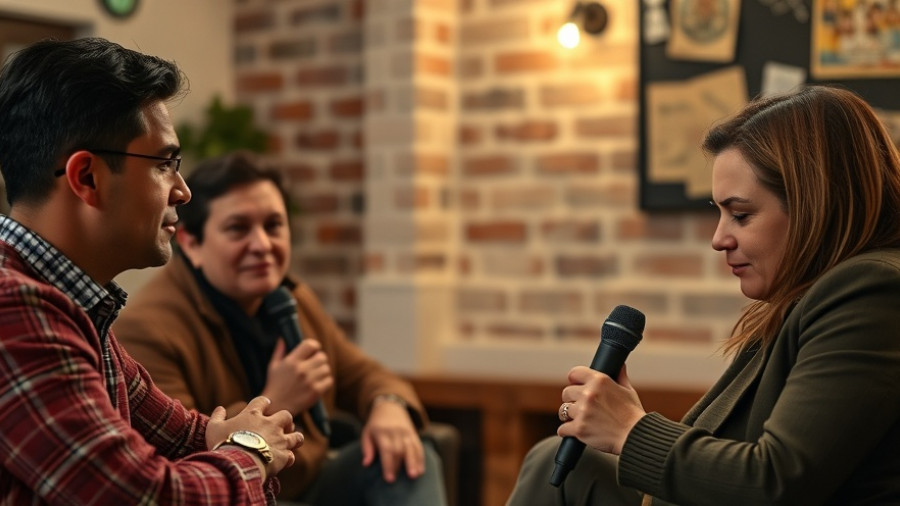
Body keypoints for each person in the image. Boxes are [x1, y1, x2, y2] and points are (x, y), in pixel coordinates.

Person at [507, 85, 900, 505]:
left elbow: (776, 482)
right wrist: (624, 421)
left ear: (815, 204)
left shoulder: (871, 291)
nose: (718, 238)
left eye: (741, 215)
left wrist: (629, 429)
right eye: (719, 212)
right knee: (565, 466)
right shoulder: (805, 301)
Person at [0, 37, 305, 504]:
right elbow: (143, 494)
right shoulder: (15, 306)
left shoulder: (77, 302)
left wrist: (240, 438)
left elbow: (188, 434)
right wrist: (254, 449)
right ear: (87, 178)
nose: (183, 191)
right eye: (165, 163)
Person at [113, 151, 447, 505]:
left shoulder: (291, 297)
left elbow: (363, 374)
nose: (262, 246)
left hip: (306, 483)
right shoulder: (147, 328)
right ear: (191, 244)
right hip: (238, 494)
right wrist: (277, 399)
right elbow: (180, 459)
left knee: (411, 458)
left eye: (273, 226)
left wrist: (388, 405)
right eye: (238, 228)